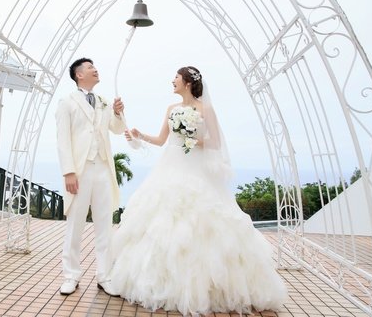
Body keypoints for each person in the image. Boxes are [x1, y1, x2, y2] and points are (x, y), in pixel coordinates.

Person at [110, 66, 288, 314]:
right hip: (170, 166)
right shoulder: (171, 109)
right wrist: (140, 136)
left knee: (201, 219)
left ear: (188, 82)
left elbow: (215, 142)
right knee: (162, 219)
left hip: (196, 169)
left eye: (176, 77)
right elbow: (162, 141)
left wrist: (191, 139)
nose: (172, 80)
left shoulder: (206, 109)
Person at [56, 57, 126, 296]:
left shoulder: (103, 101)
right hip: (80, 170)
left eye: (95, 66)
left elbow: (117, 129)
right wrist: (68, 172)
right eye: (89, 67)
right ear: (79, 75)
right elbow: (63, 139)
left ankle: (104, 276)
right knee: (75, 225)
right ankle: (70, 276)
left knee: (104, 225)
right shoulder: (67, 102)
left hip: (103, 168)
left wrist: (118, 113)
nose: (95, 69)